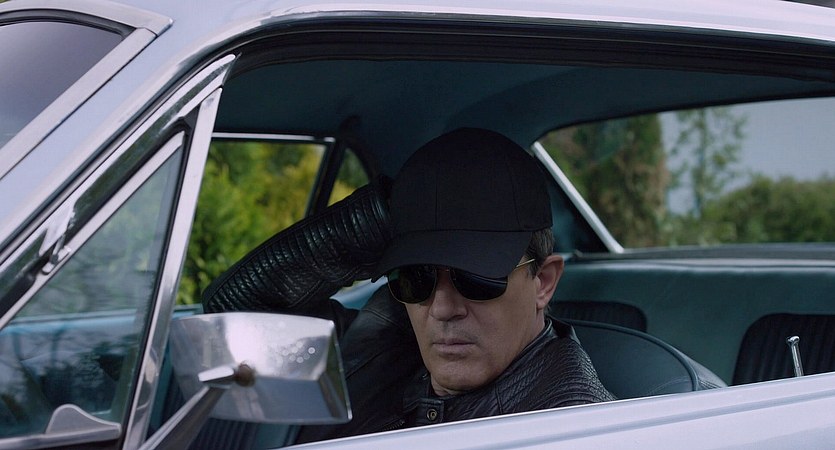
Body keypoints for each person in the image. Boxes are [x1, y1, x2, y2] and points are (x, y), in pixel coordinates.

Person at [203, 127, 615, 443]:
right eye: (416, 277)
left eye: (476, 279)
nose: (442, 308)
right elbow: (234, 332)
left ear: (543, 282)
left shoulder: (573, 427)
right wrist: (386, 222)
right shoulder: (386, 341)